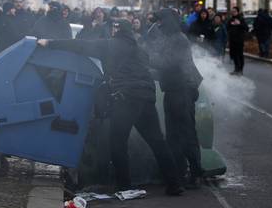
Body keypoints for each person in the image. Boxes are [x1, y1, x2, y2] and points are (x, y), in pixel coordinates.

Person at [37, 20, 184, 196]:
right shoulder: (139, 50)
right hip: (146, 97)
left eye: (114, 28)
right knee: (157, 142)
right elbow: (152, 68)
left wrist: (50, 43)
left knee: (118, 143)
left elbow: (79, 45)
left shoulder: (108, 45)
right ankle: (174, 184)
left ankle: (124, 186)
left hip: (126, 97)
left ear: (116, 30)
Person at [150, 8, 204, 189]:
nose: (158, 25)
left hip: (183, 90)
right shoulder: (169, 38)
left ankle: (196, 173)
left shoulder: (179, 39)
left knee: (186, 133)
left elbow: (168, 63)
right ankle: (179, 171)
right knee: (173, 135)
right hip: (173, 90)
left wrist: (146, 58)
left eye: (160, 21)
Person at [226, 6, 248, 75]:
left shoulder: (241, 19)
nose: (233, 13)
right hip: (232, 40)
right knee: (234, 55)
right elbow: (227, 27)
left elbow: (246, 28)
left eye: (234, 11)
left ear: (238, 12)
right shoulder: (230, 19)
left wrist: (239, 24)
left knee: (240, 55)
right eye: (232, 12)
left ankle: (240, 70)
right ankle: (236, 69)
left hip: (239, 40)